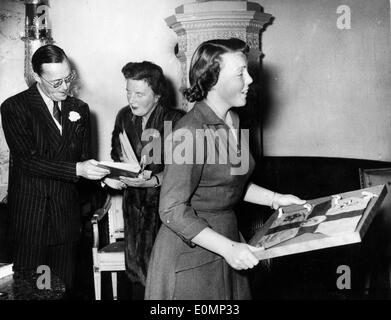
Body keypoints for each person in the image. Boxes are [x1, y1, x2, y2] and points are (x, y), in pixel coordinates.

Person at [145, 38, 306, 300]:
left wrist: (277, 200)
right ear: (213, 81)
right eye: (241, 73)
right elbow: (171, 209)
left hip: (228, 239)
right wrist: (228, 248)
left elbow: (232, 184)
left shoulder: (234, 119)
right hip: (192, 253)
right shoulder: (188, 132)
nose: (251, 80)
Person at [0, 44, 109, 297]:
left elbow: (84, 160)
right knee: (36, 292)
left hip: (65, 218)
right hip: (32, 220)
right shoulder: (15, 107)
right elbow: (27, 161)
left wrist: (106, 178)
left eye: (68, 78)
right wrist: (78, 168)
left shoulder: (79, 109)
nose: (65, 87)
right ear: (37, 77)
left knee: (62, 290)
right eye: (56, 82)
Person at [103, 61, 184, 298]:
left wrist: (154, 180)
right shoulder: (123, 117)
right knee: (138, 281)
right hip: (134, 211)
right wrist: (114, 174)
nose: (132, 99)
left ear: (157, 95)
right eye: (128, 92)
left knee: (164, 283)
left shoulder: (175, 120)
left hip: (165, 213)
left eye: (139, 93)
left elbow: (183, 171)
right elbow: (115, 156)